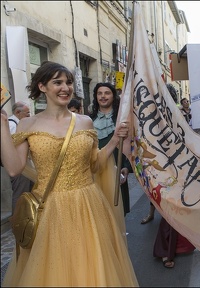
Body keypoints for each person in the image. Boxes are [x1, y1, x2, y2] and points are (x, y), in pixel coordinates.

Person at [0, 61, 138, 286]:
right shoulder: (28, 124)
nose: (65, 87)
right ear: (42, 87)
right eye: (57, 82)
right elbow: (14, 168)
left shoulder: (85, 122)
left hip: (88, 207)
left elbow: (94, 165)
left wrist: (114, 140)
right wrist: (3, 126)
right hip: (49, 211)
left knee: (92, 269)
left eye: (68, 82)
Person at [152, 83, 195, 268]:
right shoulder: (151, 118)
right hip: (161, 168)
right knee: (169, 210)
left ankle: (173, 248)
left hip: (181, 166)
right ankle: (166, 250)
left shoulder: (182, 117)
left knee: (178, 209)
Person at [89, 82, 132, 216]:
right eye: (99, 93)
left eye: (107, 93)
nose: (103, 96)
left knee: (117, 210)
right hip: (96, 169)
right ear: (95, 97)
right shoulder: (88, 120)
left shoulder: (122, 120)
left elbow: (130, 145)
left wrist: (125, 166)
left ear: (113, 96)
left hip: (117, 169)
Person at [7, 101, 34, 213]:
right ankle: (17, 223)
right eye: (27, 113)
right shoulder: (12, 125)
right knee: (20, 194)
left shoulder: (18, 124)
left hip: (25, 166)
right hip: (19, 167)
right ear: (18, 112)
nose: (29, 116)